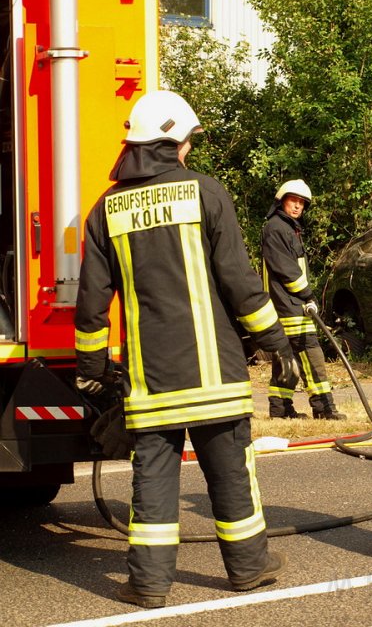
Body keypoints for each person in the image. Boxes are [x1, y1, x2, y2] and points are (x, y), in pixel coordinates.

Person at [74, 90, 299, 608]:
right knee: (230, 471)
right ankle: (247, 567)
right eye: (189, 142)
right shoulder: (205, 192)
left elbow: (92, 298)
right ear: (174, 142)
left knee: (152, 477)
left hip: (149, 379)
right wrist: (274, 341)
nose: (191, 150)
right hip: (213, 371)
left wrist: (90, 365)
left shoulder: (106, 209)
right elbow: (239, 279)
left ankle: (149, 584)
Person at [262, 179, 346, 420]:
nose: (298, 206)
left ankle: (280, 408)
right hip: (289, 305)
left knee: (286, 359)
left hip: (288, 303)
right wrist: (307, 295)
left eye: (302, 203)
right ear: (281, 201)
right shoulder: (277, 228)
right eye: (293, 201)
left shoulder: (288, 228)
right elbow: (288, 270)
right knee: (312, 354)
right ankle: (324, 409)